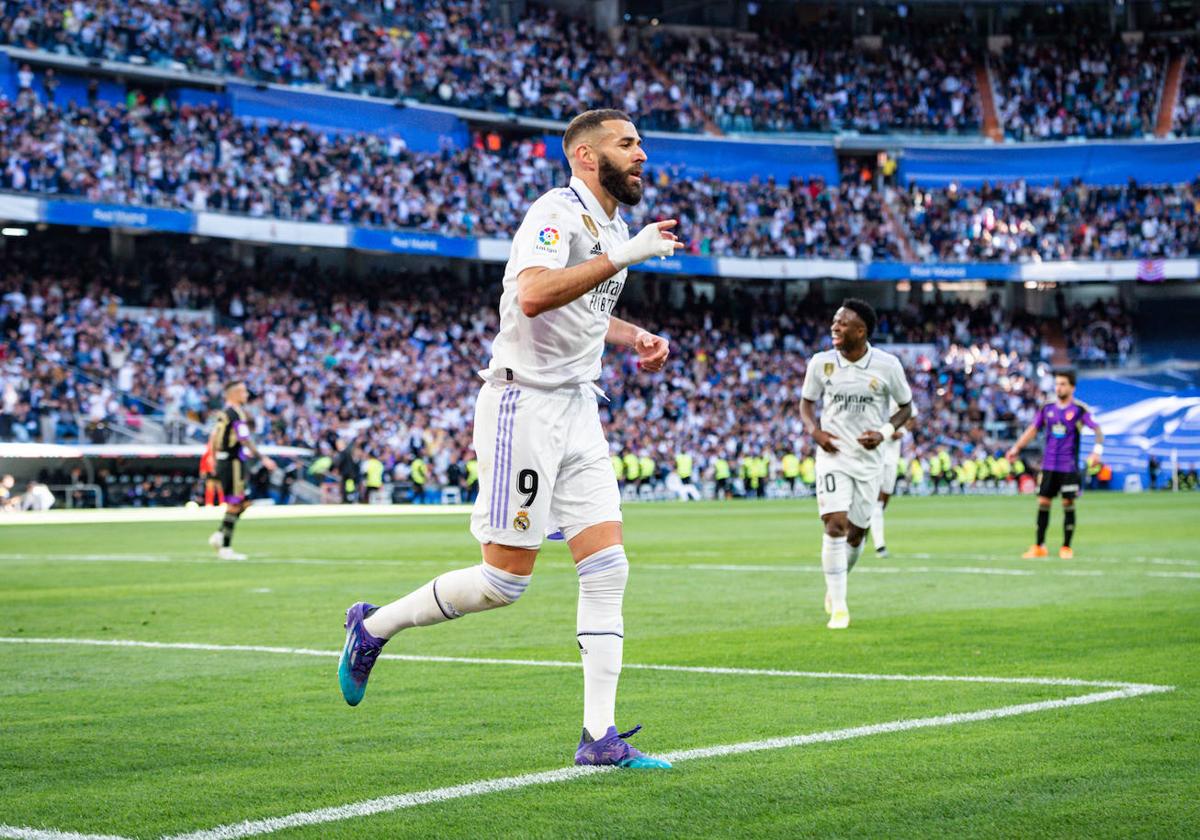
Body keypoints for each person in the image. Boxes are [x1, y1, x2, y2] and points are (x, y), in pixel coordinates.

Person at [337, 109, 681, 769]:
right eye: (627, 143)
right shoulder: (555, 213)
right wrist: (624, 254)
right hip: (522, 404)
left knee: (608, 567)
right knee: (503, 582)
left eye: (641, 144)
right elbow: (529, 295)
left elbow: (583, 307)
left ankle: (598, 739)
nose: (642, 155)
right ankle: (373, 627)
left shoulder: (609, 224)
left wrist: (629, 333)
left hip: (579, 405)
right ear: (585, 156)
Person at [800, 300, 913, 630]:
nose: (835, 327)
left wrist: (884, 432)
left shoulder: (887, 365)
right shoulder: (821, 364)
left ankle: (835, 584)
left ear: (861, 331)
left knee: (856, 534)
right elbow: (806, 404)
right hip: (833, 456)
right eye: (834, 321)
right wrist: (815, 431)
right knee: (835, 524)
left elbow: (906, 407)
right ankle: (840, 607)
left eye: (843, 323)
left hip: (869, 461)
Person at [1006, 369, 1103, 560]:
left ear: (1072, 387)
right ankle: (1039, 546)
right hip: (1049, 465)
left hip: (1069, 466)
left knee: (1068, 503)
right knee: (1043, 502)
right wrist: (1016, 448)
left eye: (1063, 384)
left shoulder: (1079, 409)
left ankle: (1066, 547)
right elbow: (1033, 429)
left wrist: (1097, 452)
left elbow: (1097, 429)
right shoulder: (1047, 408)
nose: (1059, 387)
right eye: (1057, 383)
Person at [206, 380, 276, 560]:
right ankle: (226, 548)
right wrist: (263, 458)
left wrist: (214, 458)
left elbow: (214, 436)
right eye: (243, 392)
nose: (246, 395)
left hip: (226, 461)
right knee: (235, 503)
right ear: (234, 394)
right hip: (233, 462)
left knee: (244, 502)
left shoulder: (224, 413)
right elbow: (244, 439)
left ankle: (220, 534)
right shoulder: (236, 414)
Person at [870, 410, 917, 558]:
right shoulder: (873, 390)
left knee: (883, 502)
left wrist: (902, 431)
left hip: (892, 457)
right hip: (874, 455)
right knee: (876, 503)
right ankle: (880, 546)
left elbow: (912, 416)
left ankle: (863, 528)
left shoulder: (899, 391)